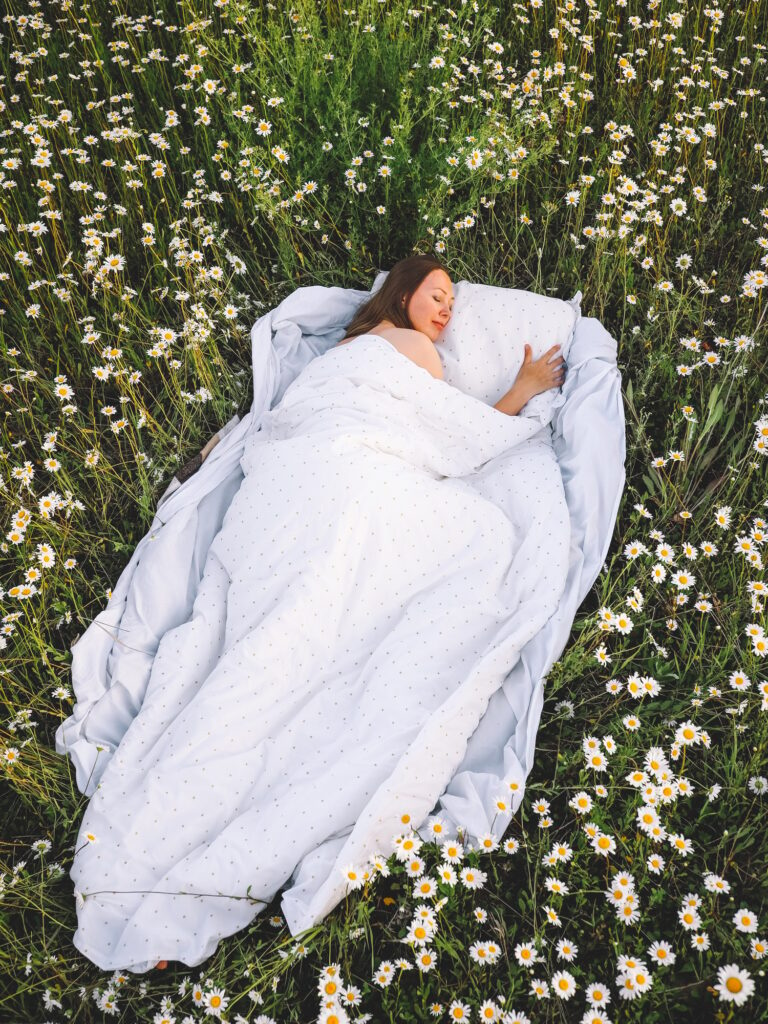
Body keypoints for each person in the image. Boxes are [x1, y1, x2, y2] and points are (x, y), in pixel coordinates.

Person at [335, 255, 565, 403]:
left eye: (451, 305)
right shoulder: (416, 344)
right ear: (403, 296)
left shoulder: (339, 347)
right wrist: (524, 389)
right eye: (437, 298)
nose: (447, 312)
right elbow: (456, 435)